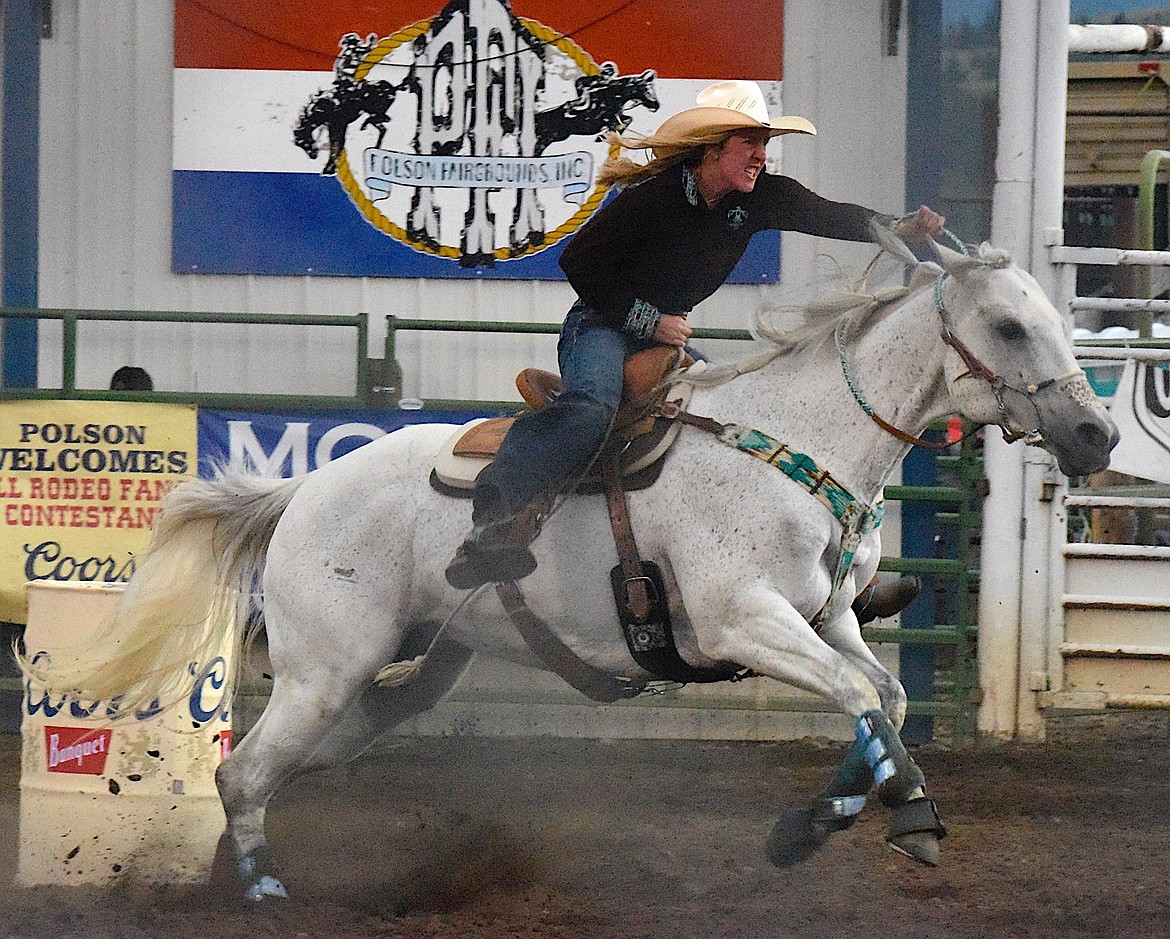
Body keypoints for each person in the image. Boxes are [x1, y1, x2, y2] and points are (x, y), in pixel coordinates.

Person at [446, 80, 944, 606]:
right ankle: (492, 522)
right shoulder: (653, 199)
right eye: (750, 142)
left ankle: (832, 591)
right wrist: (649, 320)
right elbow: (578, 262)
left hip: (666, 338)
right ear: (716, 148)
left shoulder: (762, 197)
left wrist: (899, 227)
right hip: (600, 326)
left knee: (732, 423)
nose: (761, 155)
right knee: (592, 408)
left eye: (764, 143)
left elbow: (828, 214)